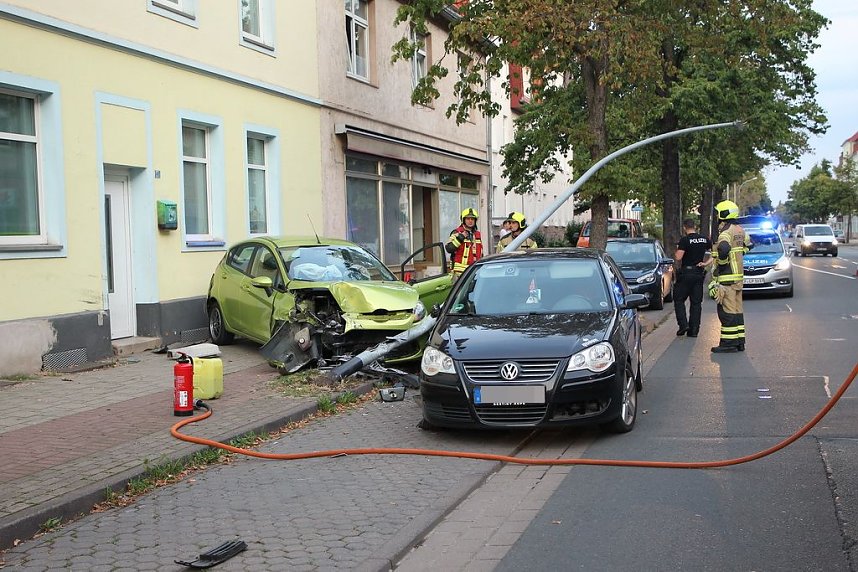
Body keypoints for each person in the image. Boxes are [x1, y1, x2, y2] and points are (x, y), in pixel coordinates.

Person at [709, 200, 752, 353]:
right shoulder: (740, 230)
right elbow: (749, 245)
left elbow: (723, 248)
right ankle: (739, 341)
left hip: (727, 278)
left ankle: (728, 343)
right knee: (737, 310)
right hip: (738, 278)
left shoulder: (725, 231)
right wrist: (739, 255)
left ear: (723, 214)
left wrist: (722, 264)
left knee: (726, 311)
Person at [673, 219, 712, 337]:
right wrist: (705, 263)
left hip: (686, 274)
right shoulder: (704, 239)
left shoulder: (685, 240)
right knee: (696, 303)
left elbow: (679, 257)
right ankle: (694, 330)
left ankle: (683, 325)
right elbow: (714, 254)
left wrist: (676, 250)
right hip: (698, 273)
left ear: (685, 228)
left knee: (679, 299)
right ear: (695, 227)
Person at [445, 207, 483, 279]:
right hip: (459, 274)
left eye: (472, 219)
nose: (470, 221)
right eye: (468, 219)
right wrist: (460, 238)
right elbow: (449, 249)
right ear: (463, 220)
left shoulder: (477, 234)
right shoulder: (457, 232)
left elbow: (480, 253)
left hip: (474, 272)